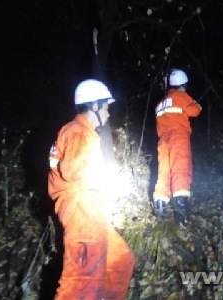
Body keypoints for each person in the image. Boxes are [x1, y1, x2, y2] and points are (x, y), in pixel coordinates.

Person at [48, 79, 135, 300]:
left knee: (120, 260)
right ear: (94, 106)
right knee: (82, 283)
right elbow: (74, 171)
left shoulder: (78, 131)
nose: (108, 114)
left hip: (89, 208)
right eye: (106, 107)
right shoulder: (77, 131)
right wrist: (102, 182)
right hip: (81, 210)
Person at [153, 69, 202, 223]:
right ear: (182, 86)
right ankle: (181, 215)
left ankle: (160, 208)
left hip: (162, 141)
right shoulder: (181, 96)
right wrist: (195, 102)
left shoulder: (160, 104)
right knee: (181, 170)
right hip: (178, 138)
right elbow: (196, 111)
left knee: (164, 173)